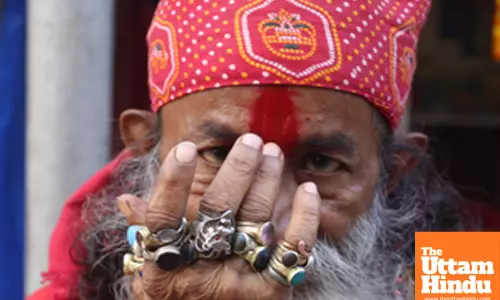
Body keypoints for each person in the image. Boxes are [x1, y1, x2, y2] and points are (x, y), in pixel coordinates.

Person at [28, 0, 473, 299]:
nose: (270, 223)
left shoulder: (464, 271)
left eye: (321, 163)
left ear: (392, 170)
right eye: (221, 156)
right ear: (147, 146)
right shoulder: (77, 283)